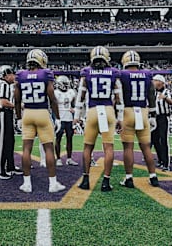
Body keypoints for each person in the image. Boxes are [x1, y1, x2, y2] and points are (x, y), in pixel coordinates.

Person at [14, 49, 65, 193]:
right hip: (42, 112)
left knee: (26, 149)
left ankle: (27, 184)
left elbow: (17, 100)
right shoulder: (45, 73)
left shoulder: (21, 75)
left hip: (27, 113)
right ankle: (52, 183)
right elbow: (52, 98)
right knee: (49, 148)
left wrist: (18, 117)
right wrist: (58, 117)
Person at [73, 45, 124, 192]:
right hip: (108, 111)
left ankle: (85, 179)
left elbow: (80, 96)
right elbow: (119, 98)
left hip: (93, 111)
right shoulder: (113, 72)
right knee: (108, 147)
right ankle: (106, 182)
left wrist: (76, 116)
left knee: (88, 147)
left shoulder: (87, 72)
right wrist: (120, 117)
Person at [118, 51, 160, 188]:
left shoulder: (122, 74)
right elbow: (151, 95)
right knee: (146, 147)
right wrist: (153, 115)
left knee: (128, 147)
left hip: (128, 111)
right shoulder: (147, 74)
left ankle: (129, 178)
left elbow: (118, 95)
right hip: (143, 111)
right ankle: (153, 176)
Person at [0, 65, 20, 180]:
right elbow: (3, 102)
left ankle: (10, 167)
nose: (13, 76)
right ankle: (0, 170)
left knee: (10, 141)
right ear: (6, 75)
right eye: (12, 74)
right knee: (3, 142)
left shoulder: (6, 84)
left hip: (8, 113)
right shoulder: (3, 84)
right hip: (4, 113)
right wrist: (18, 106)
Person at [54, 75, 79, 166]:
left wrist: (74, 109)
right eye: (64, 84)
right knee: (58, 138)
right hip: (60, 117)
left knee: (70, 138)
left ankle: (69, 158)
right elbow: (53, 105)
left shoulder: (71, 92)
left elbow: (73, 104)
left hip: (69, 117)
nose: (66, 85)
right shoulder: (55, 92)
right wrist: (56, 118)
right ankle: (58, 159)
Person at [151, 74, 172, 171]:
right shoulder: (153, 93)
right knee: (155, 140)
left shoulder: (166, 92)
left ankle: (166, 163)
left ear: (161, 82)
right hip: (154, 117)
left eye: (155, 81)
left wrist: (164, 97)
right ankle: (160, 159)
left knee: (163, 140)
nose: (153, 83)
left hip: (163, 117)